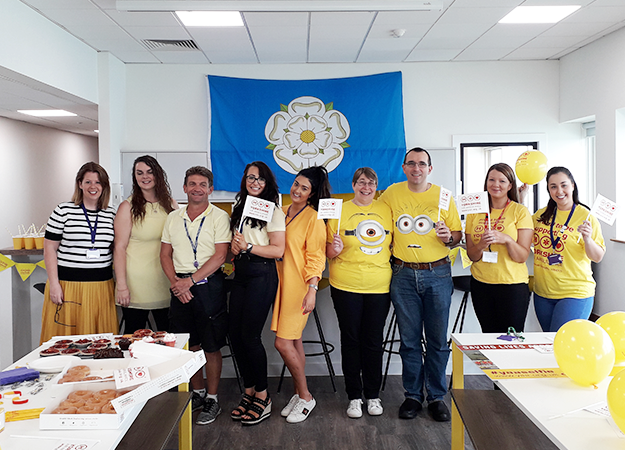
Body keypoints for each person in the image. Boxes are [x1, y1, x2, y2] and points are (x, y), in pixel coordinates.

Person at [379, 147, 462, 422]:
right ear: (404, 167)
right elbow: (378, 224)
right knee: (410, 341)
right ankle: (412, 395)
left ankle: (437, 397)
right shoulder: (391, 193)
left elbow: (457, 236)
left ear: (430, 168)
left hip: (437, 273)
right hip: (402, 274)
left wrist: (448, 236)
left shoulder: (443, 195)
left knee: (438, 341)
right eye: (411, 163)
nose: (417, 168)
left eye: (422, 164)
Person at [160, 166, 231, 425]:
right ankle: (198, 393)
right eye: (192, 184)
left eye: (202, 184)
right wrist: (177, 284)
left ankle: (213, 398)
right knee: (189, 346)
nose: (197, 188)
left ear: (210, 189)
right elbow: (165, 255)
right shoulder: (173, 217)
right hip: (180, 286)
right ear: (184, 187)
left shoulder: (219, 217)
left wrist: (190, 281)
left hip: (208, 286)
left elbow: (221, 256)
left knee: (211, 345)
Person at [326, 167, 392, 419]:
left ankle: (373, 395)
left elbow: (395, 242)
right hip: (345, 285)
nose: (366, 187)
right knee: (351, 340)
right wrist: (334, 249)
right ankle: (354, 397)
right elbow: (327, 251)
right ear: (353, 184)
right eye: (361, 182)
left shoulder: (386, 208)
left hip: (379, 285)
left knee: (374, 341)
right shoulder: (339, 210)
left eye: (371, 183)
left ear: (377, 186)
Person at [271, 165, 330, 424]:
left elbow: (316, 257)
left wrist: (312, 289)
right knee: (294, 341)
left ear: (312, 193)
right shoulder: (281, 212)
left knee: (282, 343)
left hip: (299, 287)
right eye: (296, 184)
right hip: (279, 285)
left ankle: (306, 396)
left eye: (304, 188)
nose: (297, 190)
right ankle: (297, 393)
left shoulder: (314, 218)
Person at [228, 162, 285, 426]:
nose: (255, 182)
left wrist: (248, 246)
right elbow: (235, 247)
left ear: (268, 183)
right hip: (240, 274)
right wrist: (235, 248)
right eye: (251, 177)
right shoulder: (238, 207)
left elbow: (277, 250)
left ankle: (263, 396)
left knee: (250, 337)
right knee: (236, 336)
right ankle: (249, 391)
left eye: (260, 179)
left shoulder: (272, 210)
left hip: (262, 275)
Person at [40, 162, 118, 343]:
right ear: (80, 184)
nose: (93, 187)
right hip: (68, 286)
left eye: (98, 183)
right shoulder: (63, 211)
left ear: (104, 186)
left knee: (101, 343)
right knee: (66, 343)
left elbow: (117, 249)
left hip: (101, 287)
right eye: (88, 182)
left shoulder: (111, 214)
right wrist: (54, 284)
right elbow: (49, 248)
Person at [532, 166, 605, 332]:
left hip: (575, 293)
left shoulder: (586, 217)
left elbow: (597, 256)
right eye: (553, 186)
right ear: (548, 190)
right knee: (548, 343)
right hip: (543, 293)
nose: (559, 191)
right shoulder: (540, 215)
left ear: (572, 185)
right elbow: (522, 234)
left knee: (560, 340)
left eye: (564, 185)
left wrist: (587, 239)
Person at [465, 163, 533, 333]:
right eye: (491, 180)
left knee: (512, 339)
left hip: (512, 286)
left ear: (510, 185)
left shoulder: (520, 211)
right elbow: (472, 256)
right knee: (488, 336)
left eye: (502, 181)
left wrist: (508, 240)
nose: (496, 185)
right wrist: (481, 245)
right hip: (481, 284)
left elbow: (522, 256)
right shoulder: (474, 212)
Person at [114, 155, 177, 333]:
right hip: (136, 283)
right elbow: (119, 248)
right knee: (135, 337)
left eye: (149, 172)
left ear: (157, 175)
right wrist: (122, 285)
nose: (145, 177)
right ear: (134, 177)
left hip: (165, 280)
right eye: (139, 173)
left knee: (169, 336)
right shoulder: (127, 206)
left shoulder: (170, 204)